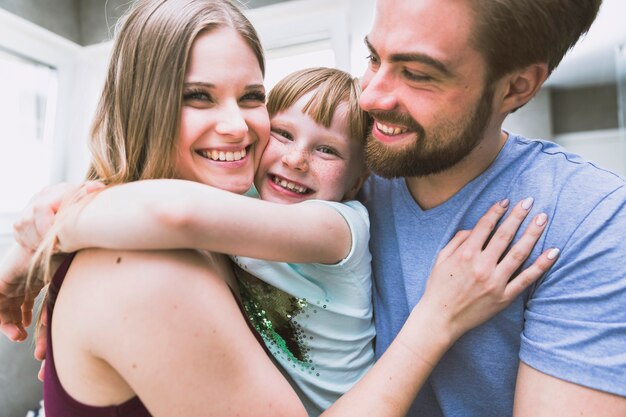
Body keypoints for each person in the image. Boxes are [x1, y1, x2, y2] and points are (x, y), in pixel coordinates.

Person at [0, 0, 559, 416]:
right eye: (198, 96)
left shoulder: (249, 221)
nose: (238, 124)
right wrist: (43, 232)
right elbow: (172, 211)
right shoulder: (148, 272)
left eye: (250, 97)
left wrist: (45, 231)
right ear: (141, 108)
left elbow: (173, 210)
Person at [357, 0, 626, 416]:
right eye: (374, 58)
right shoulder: (339, 172)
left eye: (417, 74)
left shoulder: (590, 221)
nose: (369, 96)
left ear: (517, 87)